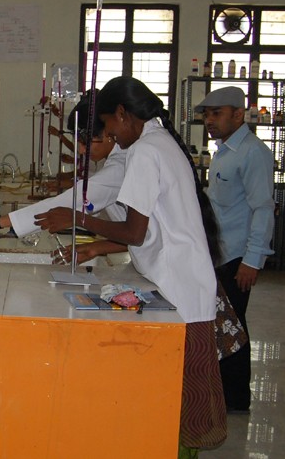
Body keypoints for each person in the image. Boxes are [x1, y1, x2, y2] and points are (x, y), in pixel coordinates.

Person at [35, 76, 226, 456]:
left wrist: (79, 219)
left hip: (181, 289)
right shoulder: (161, 142)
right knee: (179, 403)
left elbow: (135, 232)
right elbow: (153, 227)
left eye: (108, 127)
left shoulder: (144, 151)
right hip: (184, 282)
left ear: (123, 114)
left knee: (180, 407)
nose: (111, 136)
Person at [0, 90, 128, 244]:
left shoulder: (118, 168)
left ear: (107, 134)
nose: (82, 150)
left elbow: (68, 201)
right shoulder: (113, 160)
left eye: (85, 142)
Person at [196, 86, 275, 413]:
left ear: (238, 114)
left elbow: (263, 208)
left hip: (237, 257)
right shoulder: (225, 151)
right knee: (225, 324)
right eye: (206, 115)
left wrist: (252, 261)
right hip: (220, 252)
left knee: (234, 327)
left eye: (216, 114)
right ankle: (227, 394)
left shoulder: (252, 153)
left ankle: (237, 400)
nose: (209, 121)